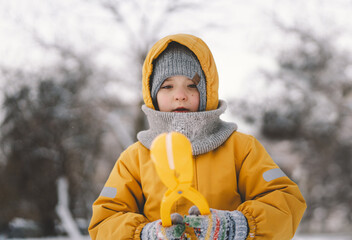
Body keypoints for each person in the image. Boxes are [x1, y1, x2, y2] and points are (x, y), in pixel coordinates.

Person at [88, 34, 307, 239]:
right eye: (167, 86)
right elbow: (105, 219)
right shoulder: (134, 158)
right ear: (152, 94)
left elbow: (285, 202)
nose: (180, 95)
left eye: (192, 85)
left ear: (208, 91)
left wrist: (236, 226)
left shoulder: (241, 148)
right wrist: (146, 234)